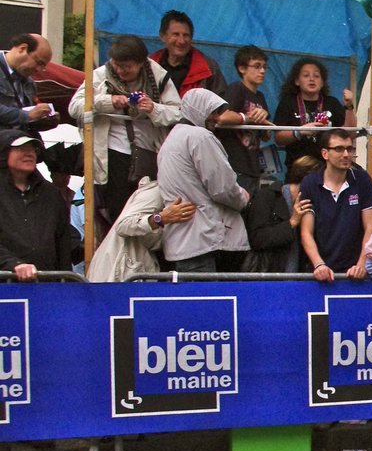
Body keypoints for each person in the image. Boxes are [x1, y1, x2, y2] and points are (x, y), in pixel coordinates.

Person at [69, 35, 182, 224]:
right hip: (112, 154)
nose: (121, 71)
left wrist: (154, 108)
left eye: (127, 66)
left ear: (141, 63)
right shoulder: (100, 76)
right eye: (117, 65)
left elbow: (178, 112)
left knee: (147, 211)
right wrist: (107, 102)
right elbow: (74, 107)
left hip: (149, 154)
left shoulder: (157, 75)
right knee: (117, 212)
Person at [156, 89, 250, 272]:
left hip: (182, 241)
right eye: (213, 111)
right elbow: (222, 188)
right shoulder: (200, 137)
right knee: (213, 299)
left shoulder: (171, 139)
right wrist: (243, 198)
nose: (217, 118)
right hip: (205, 238)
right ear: (200, 110)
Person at [298, 129, 372, 281]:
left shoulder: (362, 180)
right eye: (339, 149)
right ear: (325, 154)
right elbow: (306, 232)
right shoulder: (309, 183)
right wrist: (318, 264)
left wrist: (362, 264)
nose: (346, 154)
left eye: (349, 148)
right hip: (320, 273)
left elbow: (371, 227)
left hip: (355, 272)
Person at [0, 130, 78, 280]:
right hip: (5, 286)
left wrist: (65, 283)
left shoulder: (52, 194)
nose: (29, 154)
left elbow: (62, 241)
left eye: (32, 150)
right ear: (4, 153)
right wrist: (13, 264)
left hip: (46, 286)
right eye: (21, 149)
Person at [86, 178, 197, 282]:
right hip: (118, 274)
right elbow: (123, 225)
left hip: (133, 271)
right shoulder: (157, 191)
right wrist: (160, 218)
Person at [242, 155, 321, 273]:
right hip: (269, 277)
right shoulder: (268, 196)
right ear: (308, 181)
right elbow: (257, 239)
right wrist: (292, 222)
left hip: (300, 280)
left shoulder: (314, 204)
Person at [273, 58, 357, 168]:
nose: (312, 79)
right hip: (298, 167)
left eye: (317, 76)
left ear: (322, 82)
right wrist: (300, 132)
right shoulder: (288, 102)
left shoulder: (332, 103)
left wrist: (349, 106)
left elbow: (350, 134)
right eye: (306, 75)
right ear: (297, 81)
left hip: (328, 167)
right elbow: (278, 138)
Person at [218, 45, 274, 194]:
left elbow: (266, 135)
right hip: (234, 165)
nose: (262, 71)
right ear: (242, 68)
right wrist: (249, 118)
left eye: (264, 67)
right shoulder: (237, 89)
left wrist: (265, 120)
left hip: (253, 165)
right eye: (257, 66)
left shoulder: (260, 96)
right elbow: (222, 117)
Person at [150, 9, 228, 98]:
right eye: (176, 34)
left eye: (186, 35)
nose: (181, 41)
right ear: (162, 36)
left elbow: (222, 105)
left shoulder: (208, 67)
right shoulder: (150, 64)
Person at [0, 34, 55, 132]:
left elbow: (27, 121)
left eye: (43, 67)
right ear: (22, 48)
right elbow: (26, 115)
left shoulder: (30, 84)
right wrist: (28, 115)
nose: (39, 69)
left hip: (21, 141)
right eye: (39, 62)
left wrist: (43, 119)